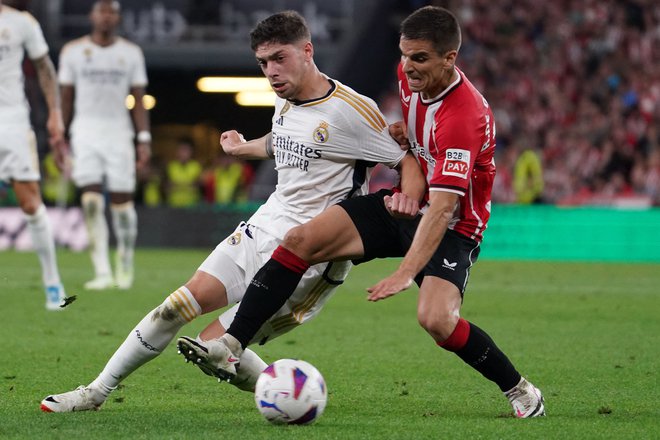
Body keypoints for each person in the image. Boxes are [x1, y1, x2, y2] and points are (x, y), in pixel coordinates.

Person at [40, 10, 424, 412]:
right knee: (172, 308)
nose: (271, 72)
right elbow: (283, 140)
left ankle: (296, 396)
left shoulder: (351, 110)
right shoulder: (284, 98)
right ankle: (94, 393)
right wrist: (243, 147)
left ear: (307, 51)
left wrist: (408, 200)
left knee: (211, 346)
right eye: (263, 63)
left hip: (309, 257)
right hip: (262, 227)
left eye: (279, 58)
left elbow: (405, 161)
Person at [178, 6, 546, 419]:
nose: (407, 67)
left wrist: (406, 272)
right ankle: (232, 344)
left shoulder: (465, 117)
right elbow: (414, 146)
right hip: (401, 207)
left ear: (450, 59)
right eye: (404, 55)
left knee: (436, 319)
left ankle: (519, 389)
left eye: (419, 58)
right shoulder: (412, 79)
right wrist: (401, 133)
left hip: (452, 225)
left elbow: (443, 208)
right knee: (300, 240)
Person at [58, 0, 151, 290]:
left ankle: (124, 262)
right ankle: (101, 270)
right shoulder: (72, 52)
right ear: (93, 16)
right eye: (102, 12)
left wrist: (143, 138)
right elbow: (66, 98)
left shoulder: (130, 53)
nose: (107, 17)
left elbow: (138, 99)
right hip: (84, 131)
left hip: (118, 133)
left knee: (122, 205)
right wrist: (59, 135)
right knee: (90, 201)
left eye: (112, 12)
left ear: (118, 17)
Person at [0, 0, 68, 310]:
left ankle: (53, 283)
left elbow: (44, 67)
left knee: (30, 202)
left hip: (11, 121)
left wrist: (54, 113)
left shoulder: (22, 22)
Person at [165, 137, 202, 208]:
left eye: (186, 150)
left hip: (192, 206)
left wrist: (177, 185)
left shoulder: (196, 166)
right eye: (182, 150)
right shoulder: (171, 166)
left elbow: (197, 186)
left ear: (191, 152)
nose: (184, 153)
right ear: (177, 151)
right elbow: (167, 187)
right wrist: (188, 185)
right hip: (174, 205)